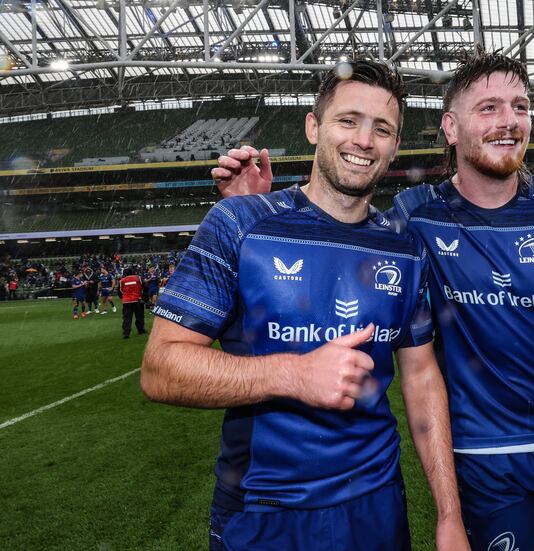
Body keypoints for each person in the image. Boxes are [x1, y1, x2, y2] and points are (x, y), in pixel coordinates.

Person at [216, 50, 534, 551]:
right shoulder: (415, 215)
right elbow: (341, 213)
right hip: (479, 455)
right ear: (450, 127)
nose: (509, 121)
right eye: (489, 108)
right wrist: (262, 210)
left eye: (520, 106)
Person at [143, 60, 468, 551]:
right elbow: (160, 368)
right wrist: (293, 375)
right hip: (262, 510)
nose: (364, 140)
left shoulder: (405, 247)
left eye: (382, 128)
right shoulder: (238, 222)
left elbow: (421, 378)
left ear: (395, 145)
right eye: (347, 120)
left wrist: (449, 515)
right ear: (314, 127)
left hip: (377, 508)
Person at [120, 266, 146, 338]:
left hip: (127, 301)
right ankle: (141, 330)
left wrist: (125, 296)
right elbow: (143, 287)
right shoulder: (138, 278)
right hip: (137, 300)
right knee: (139, 316)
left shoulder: (122, 280)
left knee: (127, 318)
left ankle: (126, 333)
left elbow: (121, 291)